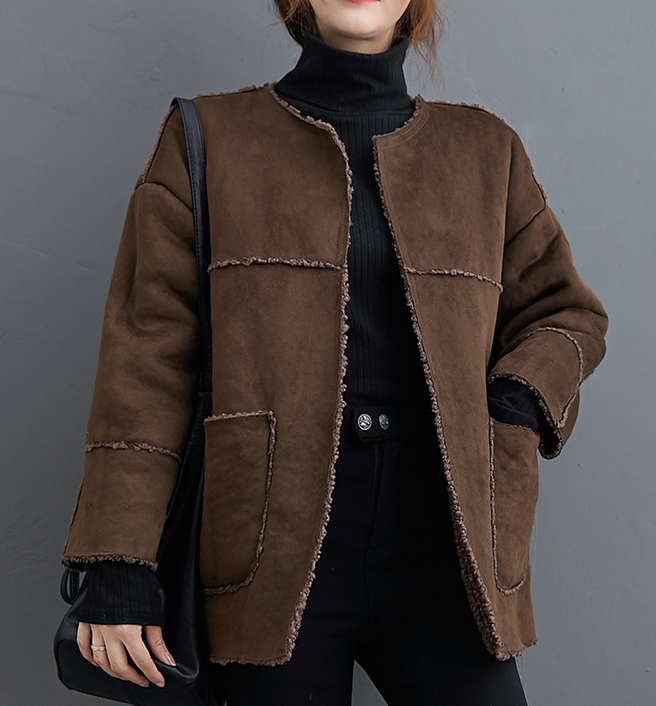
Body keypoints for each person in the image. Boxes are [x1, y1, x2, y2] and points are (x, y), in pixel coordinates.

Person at [60, 0, 608, 704]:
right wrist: (119, 562)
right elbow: (145, 362)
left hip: (448, 546)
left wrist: (513, 404)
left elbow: (566, 313)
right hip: (267, 548)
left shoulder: (486, 150)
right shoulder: (209, 137)